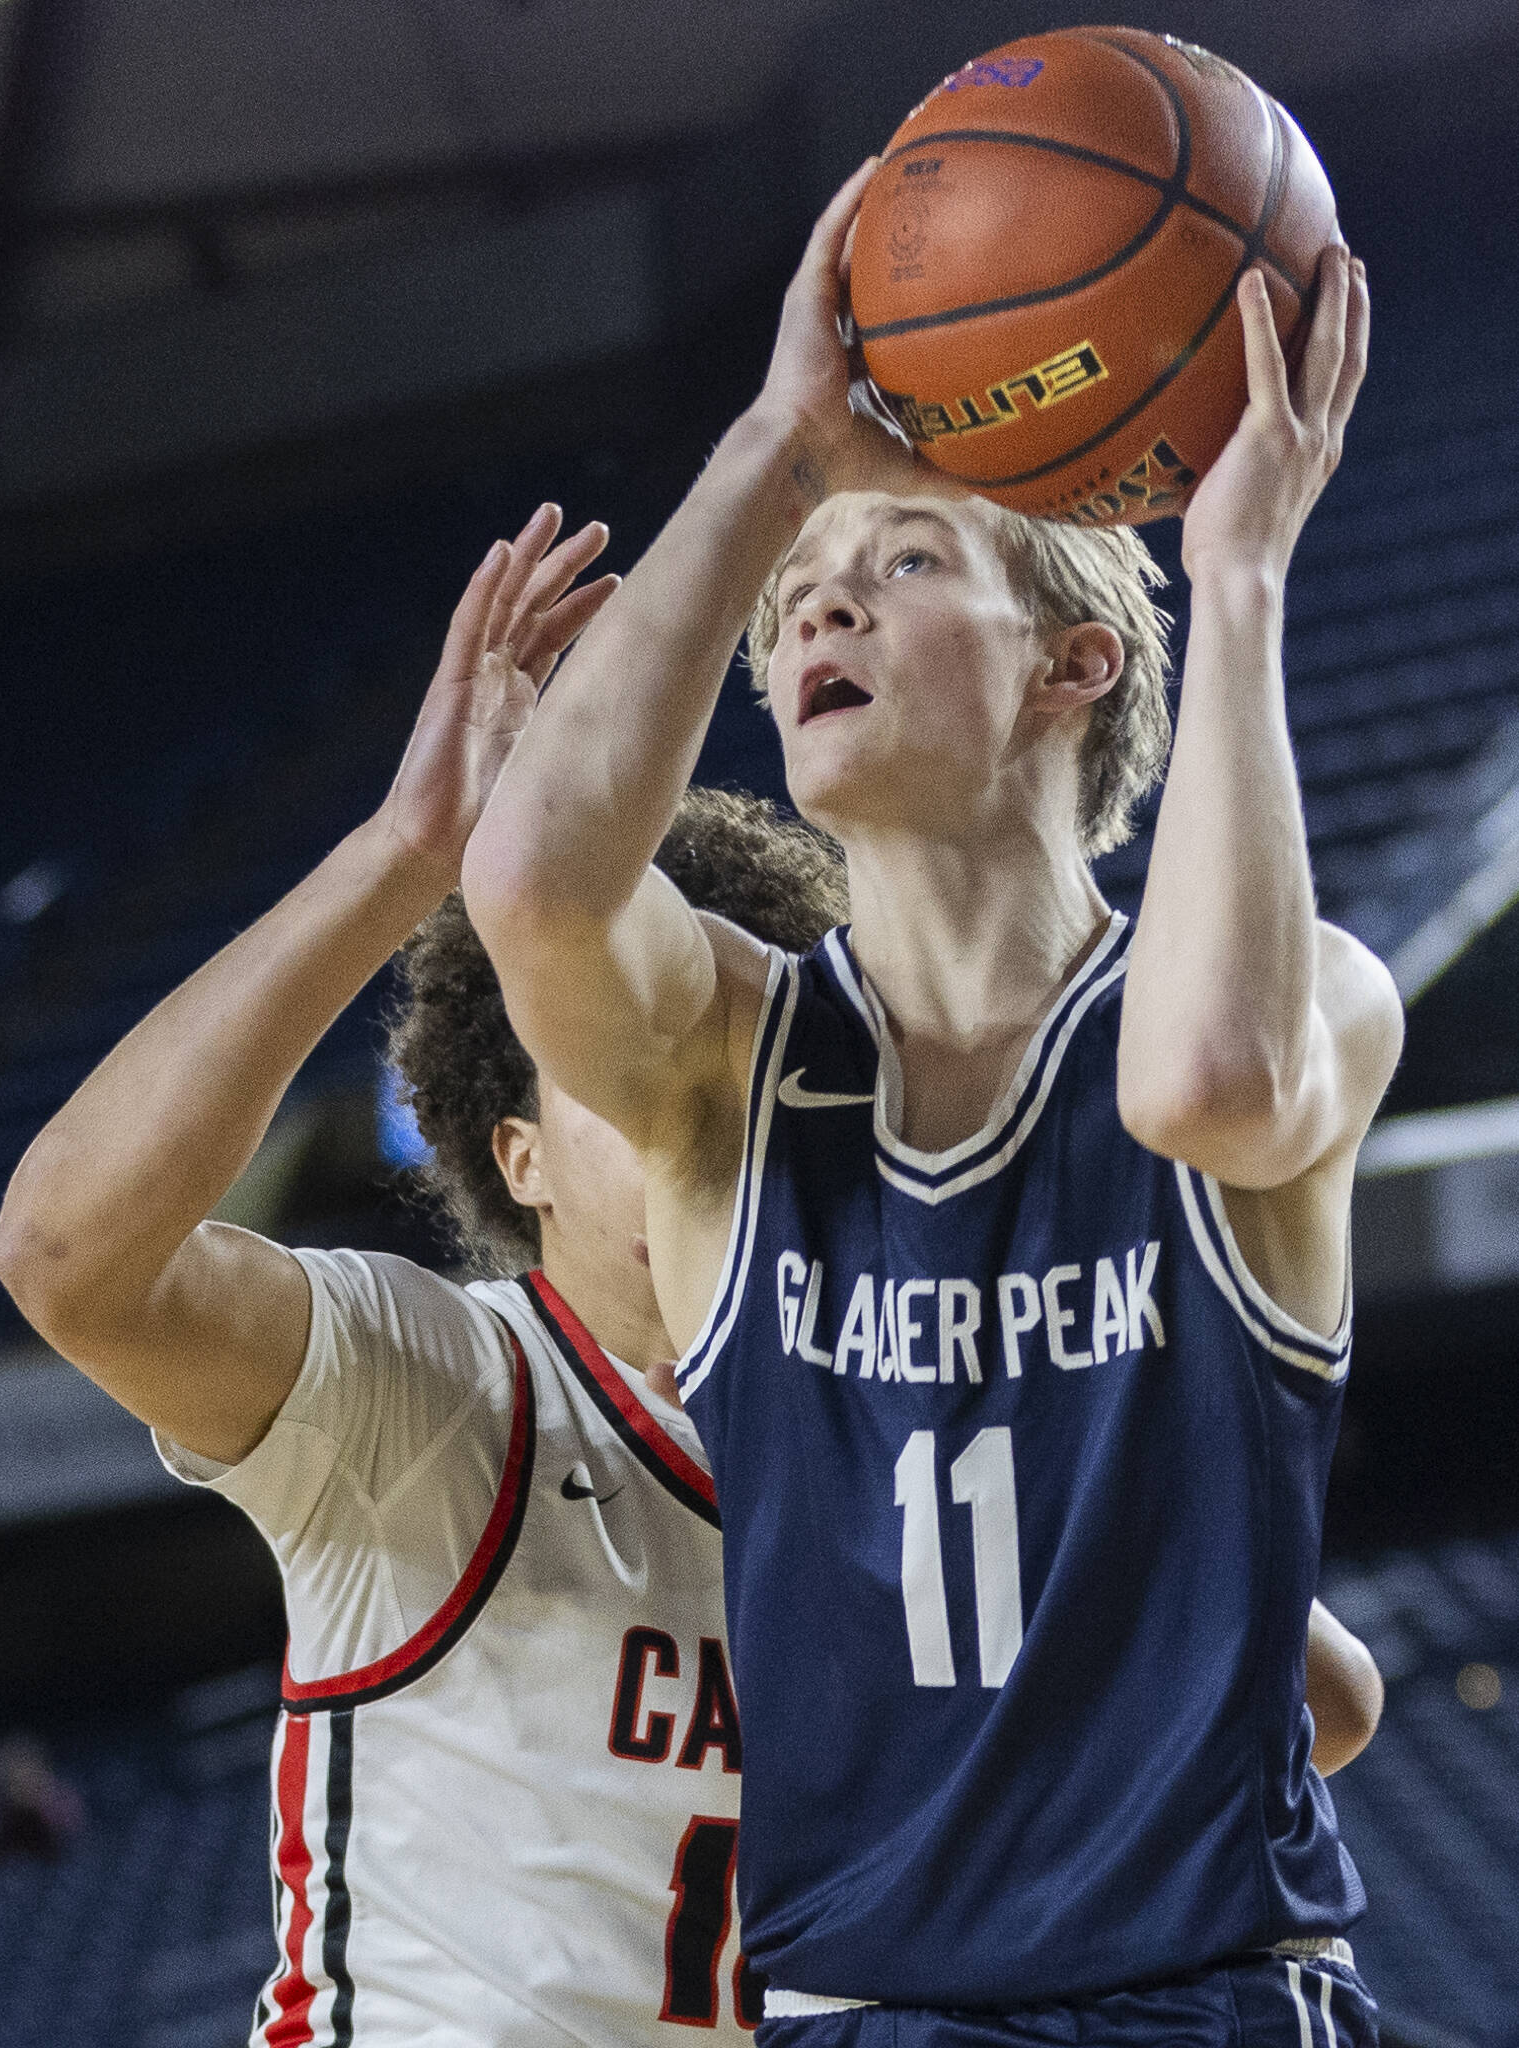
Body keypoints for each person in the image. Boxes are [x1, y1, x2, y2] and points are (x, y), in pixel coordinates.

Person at [463, 156, 1400, 2048]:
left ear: (1075, 663)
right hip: (862, 2008)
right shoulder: (733, 1060)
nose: (823, 614)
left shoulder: (1303, 999)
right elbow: (534, 889)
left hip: (1204, 1996)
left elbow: (1207, 1083)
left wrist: (1235, 573)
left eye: (899, 565)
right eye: (797, 602)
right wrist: (776, 452)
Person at [0, 508, 855, 2045]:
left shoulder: (900, 1440)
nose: (685, 1113)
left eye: (728, 1069)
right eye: (623, 1070)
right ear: (514, 1153)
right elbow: (65, 1258)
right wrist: (406, 855)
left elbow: (1296, 1720)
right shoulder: (444, 1383)